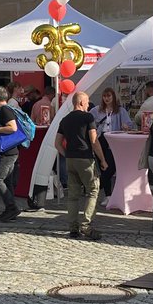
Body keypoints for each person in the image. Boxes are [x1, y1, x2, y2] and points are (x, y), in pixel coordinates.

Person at [54, 91, 108, 240]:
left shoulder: (64, 120)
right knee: (93, 191)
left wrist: (67, 154)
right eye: (87, 102)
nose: (88, 104)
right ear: (81, 102)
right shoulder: (87, 117)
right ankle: (86, 225)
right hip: (85, 159)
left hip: (71, 160)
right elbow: (94, 141)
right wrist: (103, 160)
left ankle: (73, 228)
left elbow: (57, 143)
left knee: (73, 196)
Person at [0, 86, 23, 222]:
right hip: (9, 151)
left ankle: (12, 207)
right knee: (7, 181)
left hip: (7, 151)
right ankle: (10, 209)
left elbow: (12, 127)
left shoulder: (4, 110)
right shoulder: (2, 110)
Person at [92, 88, 133, 199]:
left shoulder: (120, 111)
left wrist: (126, 126)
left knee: (111, 166)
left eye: (109, 96)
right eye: (104, 96)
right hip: (101, 139)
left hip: (114, 139)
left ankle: (99, 185)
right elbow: (89, 120)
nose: (107, 98)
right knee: (103, 166)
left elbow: (129, 124)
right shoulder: (96, 110)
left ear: (113, 97)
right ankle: (108, 195)